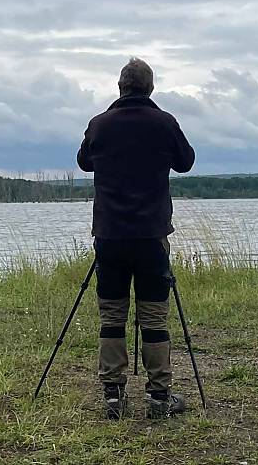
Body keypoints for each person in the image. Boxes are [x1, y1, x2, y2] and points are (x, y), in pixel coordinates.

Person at [77, 57, 196, 420]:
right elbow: (186, 161)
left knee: (112, 314)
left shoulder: (100, 124)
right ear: (150, 88)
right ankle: (160, 397)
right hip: (151, 237)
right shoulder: (164, 123)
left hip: (110, 235)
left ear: (120, 87)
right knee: (154, 317)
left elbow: (84, 162)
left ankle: (113, 395)